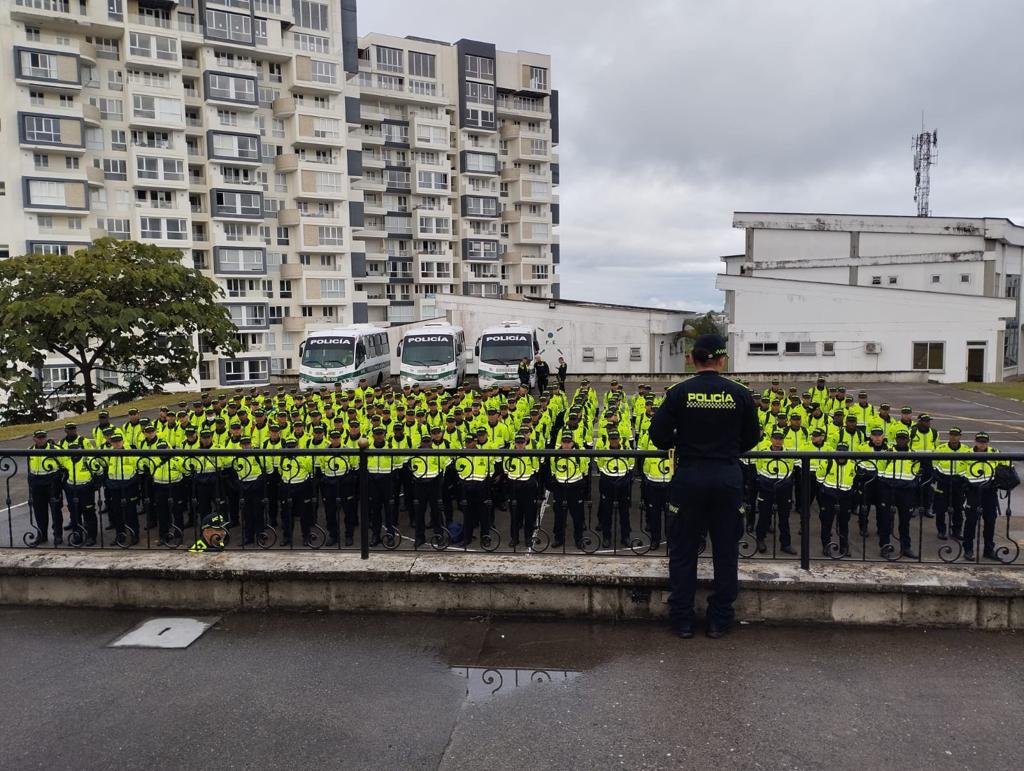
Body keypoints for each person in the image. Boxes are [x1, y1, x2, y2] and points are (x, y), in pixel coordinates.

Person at [649, 333, 760, 639]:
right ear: (722, 359)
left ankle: (682, 620)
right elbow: (753, 437)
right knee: (726, 552)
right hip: (726, 477)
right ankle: (719, 620)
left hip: (690, 477)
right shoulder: (739, 393)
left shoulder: (679, 392)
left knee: (684, 551)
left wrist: (683, 444)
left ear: (692, 359)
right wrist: (728, 447)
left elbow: (657, 435)